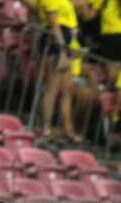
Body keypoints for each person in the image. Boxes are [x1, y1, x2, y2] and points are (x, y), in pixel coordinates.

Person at [37, 0, 81, 142]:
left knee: (66, 90)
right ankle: (46, 127)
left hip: (67, 41)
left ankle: (68, 129)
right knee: (52, 87)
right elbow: (53, 23)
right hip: (56, 42)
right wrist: (61, 48)